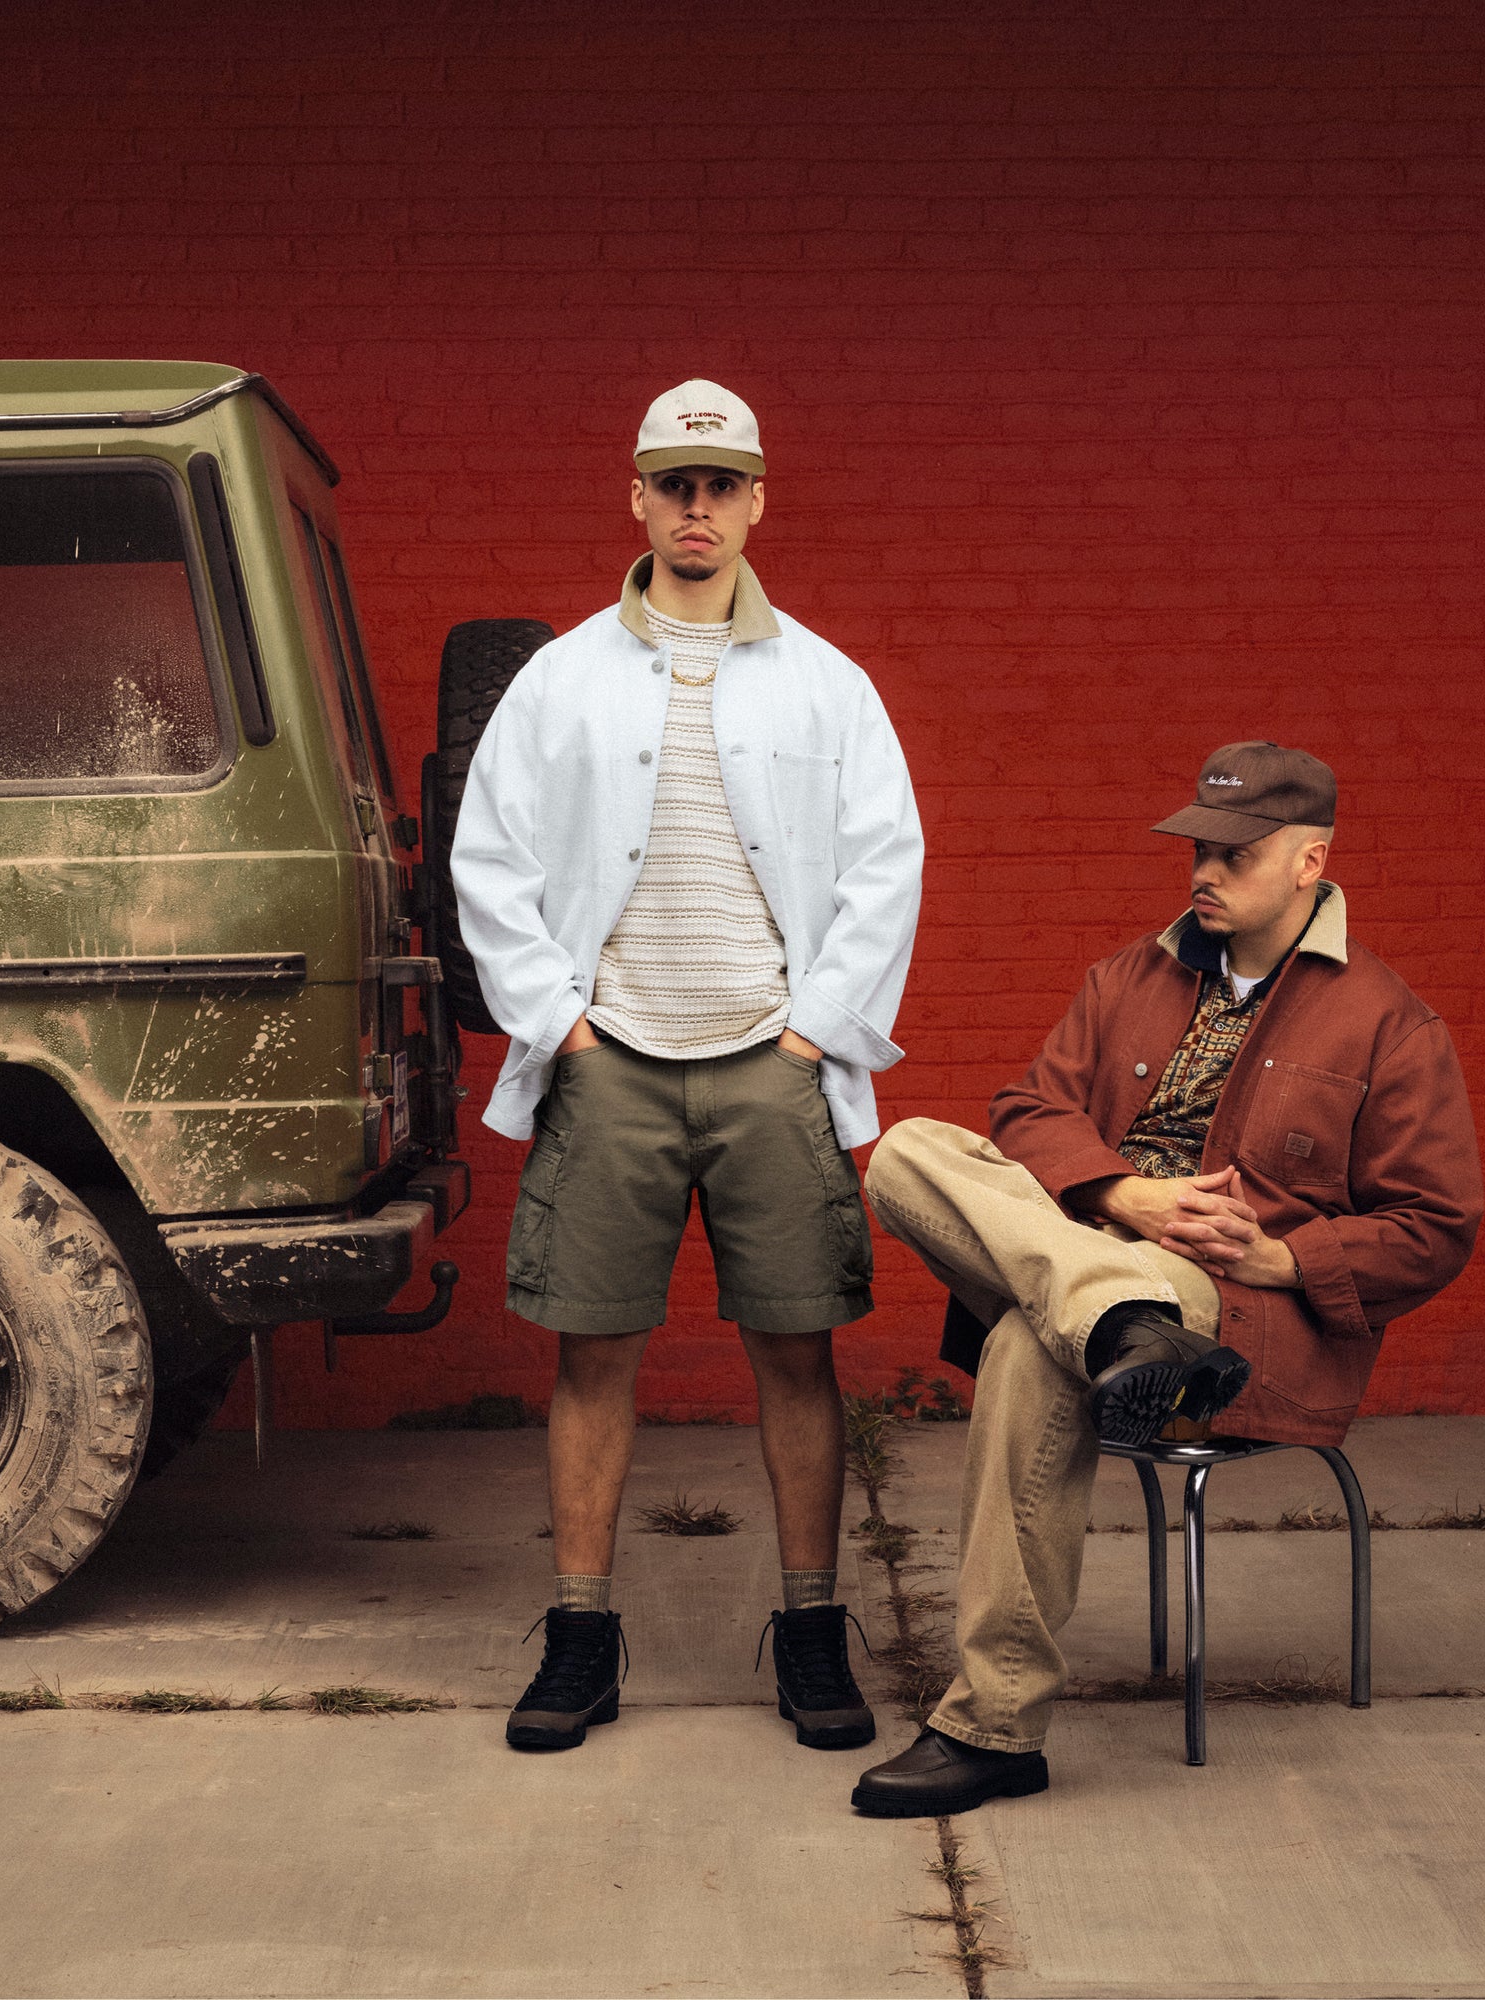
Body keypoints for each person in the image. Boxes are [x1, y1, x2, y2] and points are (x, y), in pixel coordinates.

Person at [850, 741, 1483, 1816]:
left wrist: (1285, 1254)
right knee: (909, 1143)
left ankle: (993, 1727)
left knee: (1018, 1341)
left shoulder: (1386, 1021)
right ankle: (1115, 1322)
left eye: (1235, 851)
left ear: (1308, 860)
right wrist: (1121, 1198)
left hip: (1231, 1303)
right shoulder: (1126, 976)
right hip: (1112, 1249)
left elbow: (1435, 1223)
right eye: (1197, 845)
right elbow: (1028, 1111)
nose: (1204, 868)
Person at [451, 380, 923, 1753]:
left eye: (722, 486)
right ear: (638, 497)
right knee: (594, 1353)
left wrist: (813, 1029)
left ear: (760, 498)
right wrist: (563, 1026)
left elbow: (885, 870)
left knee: (798, 1350)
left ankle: (814, 1633)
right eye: (675, 484)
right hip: (616, 1065)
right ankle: (584, 1639)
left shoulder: (830, 684)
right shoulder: (564, 678)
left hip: (774, 1063)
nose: (698, 509)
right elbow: (493, 865)